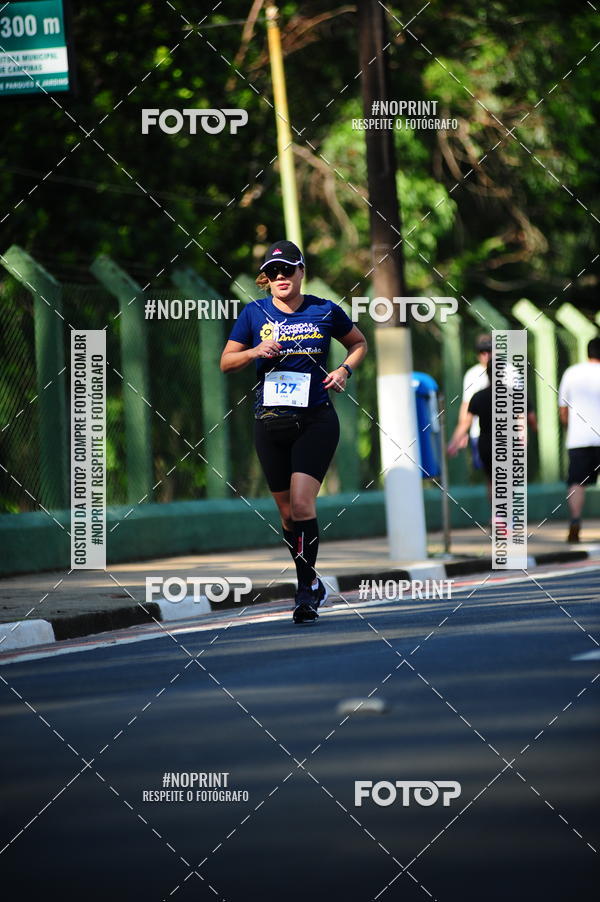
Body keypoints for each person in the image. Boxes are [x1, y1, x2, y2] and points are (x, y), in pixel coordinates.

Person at [220, 239, 367, 623]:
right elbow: (226, 362)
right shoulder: (253, 314)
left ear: (302, 271)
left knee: (303, 504)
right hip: (270, 422)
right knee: (286, 515)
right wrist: (255, 351)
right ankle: (312, 580)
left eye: (288, 269)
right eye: (273, 272)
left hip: (316, 419)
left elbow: (358, 343)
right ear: (265, 279)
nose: (280, 277)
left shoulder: (325, 310)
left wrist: (343, 371)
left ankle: (304, 592)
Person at [448, 360, 537, 513]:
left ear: (487, 374)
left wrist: (453, 443)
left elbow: (465, 423)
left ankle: (497, 515)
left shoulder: (478, 396)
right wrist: (527, 434)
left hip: (486, 444)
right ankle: (504, 516)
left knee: (491, 480)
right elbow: (525, 416)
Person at [558, 336, 600, 543]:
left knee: (576, 482)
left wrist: (569, 428)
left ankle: (575, 520)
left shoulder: (571, 373)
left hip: (579, 438)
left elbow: (563, 409)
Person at [448, 334, 492, 470]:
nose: (486, 355)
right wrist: (461, 434)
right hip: (479, 435)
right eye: (481, 351)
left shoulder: (510, 372)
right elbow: (467, 408)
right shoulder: (472, 375)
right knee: (491, 478)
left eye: (489, 350)